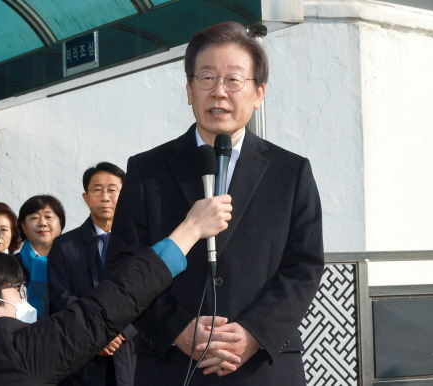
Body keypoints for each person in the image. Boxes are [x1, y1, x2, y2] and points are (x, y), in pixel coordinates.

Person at [105, 21, 324, 385]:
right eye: (206, 78)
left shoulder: (291, 171)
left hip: (262, 369)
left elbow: (304, 265)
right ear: (189, 90)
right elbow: (121, 266)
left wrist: (254, 332)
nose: (219, 92)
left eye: (234, 80)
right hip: (171, 366)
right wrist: (176, 328)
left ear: (259, 93)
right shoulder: (147, 170)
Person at [0, 192, 232, 383]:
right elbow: (102, 310)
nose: (24, 299)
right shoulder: (11, 349)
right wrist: (190, 231)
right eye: (17, 291)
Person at [48, 162, 135, 386]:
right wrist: (96, 334)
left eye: (112, 190)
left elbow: (151, 294)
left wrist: (121, 331)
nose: (105, 197)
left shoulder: (140, 244)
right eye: (97, 190)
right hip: (81, 355)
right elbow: (60, 296)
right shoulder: (64, 245)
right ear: (86, 197)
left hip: (129, 350)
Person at [16, 195, 65, 318]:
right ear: (23, 226)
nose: (42, 223)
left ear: (61, 224)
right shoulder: (9, 264)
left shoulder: (73, 262)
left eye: (49, 217)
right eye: (34, 218)